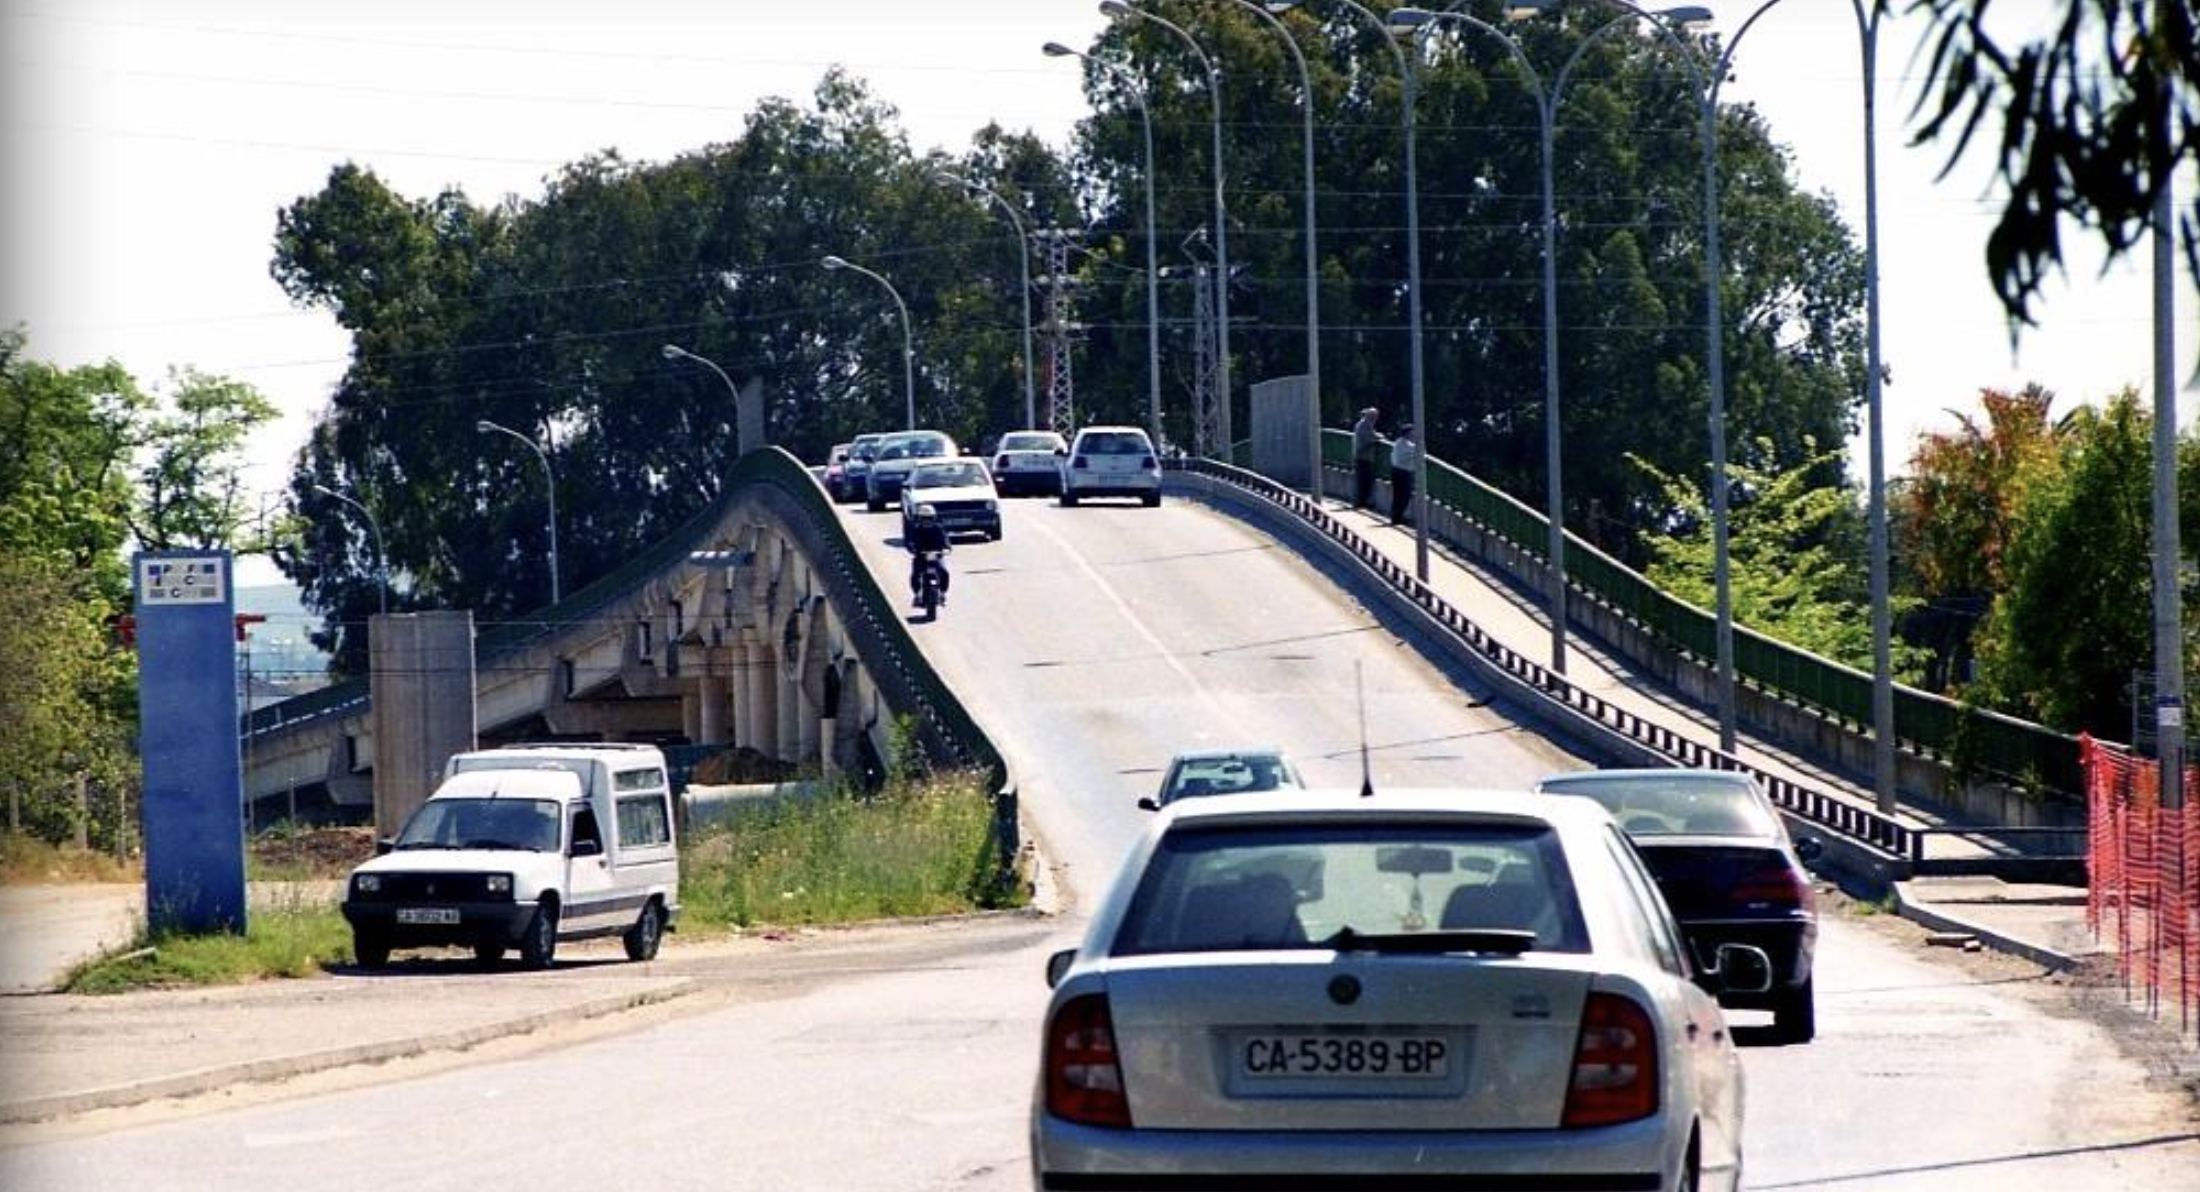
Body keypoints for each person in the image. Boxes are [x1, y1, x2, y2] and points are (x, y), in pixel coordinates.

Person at [905, 506, 952, 603]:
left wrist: (947, 548)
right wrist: (912, 548)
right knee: (915, 574)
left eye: (929, 518)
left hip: (936, 556)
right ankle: (917, 594)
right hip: (920, 557)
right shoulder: (916, 529)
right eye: (924, 518)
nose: (927, 521)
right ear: (920, 519)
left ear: (934, 518)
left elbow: (945, 540)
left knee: (944, 572)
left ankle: (942, 593)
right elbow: (910, 541)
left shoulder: (938, 529)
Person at [1350, 406, 1383, 510]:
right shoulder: (1364, 425)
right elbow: (1369, 438)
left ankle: (1362, 501)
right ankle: (1360, 503)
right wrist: (1379, 438)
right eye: (1374, 416)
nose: (1375, 418)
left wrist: (1377, 436)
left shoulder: (1366, 424)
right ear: (1369, 415)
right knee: (1363, 480)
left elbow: (1372, 435)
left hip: (1365, 456)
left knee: (1365, 480)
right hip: (1362, 456)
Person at [1389, 422, 1420, 526]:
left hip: (1396, 471)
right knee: (1405, 495)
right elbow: (1419, 452)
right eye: (1413, 433)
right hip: (1404, 472)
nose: (1414, 435)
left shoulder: (1398, 442)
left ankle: (1396, 517)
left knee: (1397, 495)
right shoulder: (1406, 445)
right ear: (1408, 433)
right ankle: (1398, 517)